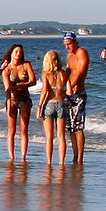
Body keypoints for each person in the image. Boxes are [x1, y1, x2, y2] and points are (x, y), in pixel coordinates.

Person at [0, 42, 34, 163]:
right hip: (12, 99)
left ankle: (23, 156)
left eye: (21, 52)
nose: (19, 54)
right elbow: (7, 87)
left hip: (25, 99)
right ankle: (11, 156)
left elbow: (33, 81)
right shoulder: (6, 69)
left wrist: (21, 85)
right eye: (16, 51)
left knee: (24, 130)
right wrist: (9, 99)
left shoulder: (26, 65)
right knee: (11, 130)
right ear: (11, 53)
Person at [61, 32, 91, 165]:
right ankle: (74, 155)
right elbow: (67, 72)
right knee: (70, 127)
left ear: (75, 42)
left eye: (69, 44)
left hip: (78, 93)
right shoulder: (69, 56)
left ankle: (80, 158)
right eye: (65, 45)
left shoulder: (81, 52)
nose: (67, 47)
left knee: (78, 127)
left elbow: (80, 72)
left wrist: (71, 86)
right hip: (68, 93)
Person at [38, 50, 70, 166]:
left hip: (49, 104)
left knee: (49, 137)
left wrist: (39, 107)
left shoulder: (45, 73)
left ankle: (49, 162)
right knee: (61, 136)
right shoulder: (64, 73)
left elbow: (45, 91)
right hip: (62, 103)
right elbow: (68, 90)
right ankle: (61, 162)